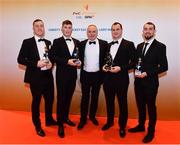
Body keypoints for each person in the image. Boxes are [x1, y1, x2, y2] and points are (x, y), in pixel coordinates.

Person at [128, 22, 168, 143]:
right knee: (140, 106)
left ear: (154, 31)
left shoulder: (160, 46)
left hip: (151, 83)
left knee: (150, 107)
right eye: (145, 29)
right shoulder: (139, 46)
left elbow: (164, 67)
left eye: (150, 29)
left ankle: (151, 131)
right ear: (142, 31)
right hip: (138, 83)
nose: (147, 31)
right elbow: (136, 63)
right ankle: (141, 126)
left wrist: (148, 73)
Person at [17, 19, 57, 137]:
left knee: (50, 100)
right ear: (33, 28)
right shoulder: (27, 42)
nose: (40, 28)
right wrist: (36, 63)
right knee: (36, 102)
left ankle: (49, 120)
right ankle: (37, 125)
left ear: (44, 28)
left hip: (48, 76)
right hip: (35, 78)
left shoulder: (49, 42)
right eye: (37, 26)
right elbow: (20, 59)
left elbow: (52, 57)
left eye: (41, 26)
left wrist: (51, 63)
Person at [101, 22, 136, 138]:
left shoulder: (129, 44)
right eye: (113, 30)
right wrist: (103, 67)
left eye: (117, 29)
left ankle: (122, 126)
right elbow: (105, 61)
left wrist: (121, 68)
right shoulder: (108, 45)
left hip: (121, 79)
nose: (115, 31)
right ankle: (110, 122)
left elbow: (134, 63)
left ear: (121, 30)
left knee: (122, 103)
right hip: (108, 79)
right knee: (109, 102)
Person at [50, 20, 81, 138]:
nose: (67, 29)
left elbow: (79, 57)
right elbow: (53, 57)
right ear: (62, 29)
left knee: (68, 98)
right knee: (61, 99)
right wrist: (66, 61)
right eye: (65, 27)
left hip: (73, 75)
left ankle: (66, 118)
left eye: (69, 27)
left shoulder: (77, 42)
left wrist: (79, 62)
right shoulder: (57, 41)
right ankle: (60, 124)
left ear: (72, 29)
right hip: (61, 76)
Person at [77, 24, 108, 130]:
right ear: (87, 33)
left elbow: (106, 59)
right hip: (85, 74)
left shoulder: (104, 44)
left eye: (93, 31)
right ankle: (83, 119)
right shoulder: (81, 44)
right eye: (89, 32)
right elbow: (78, 58)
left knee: (95, 98)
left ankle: (92, 116)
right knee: (85, 98)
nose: (91, 33)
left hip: (98, 75)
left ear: (97, 32)